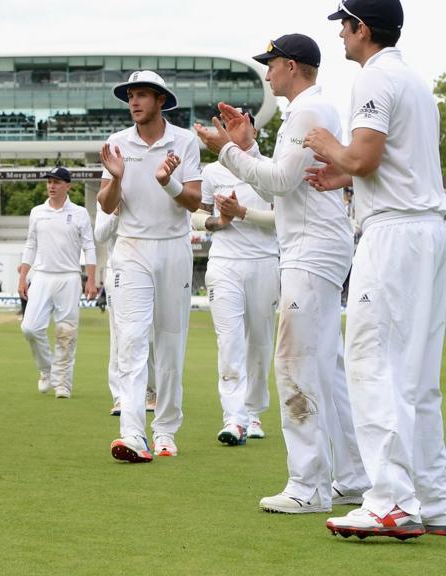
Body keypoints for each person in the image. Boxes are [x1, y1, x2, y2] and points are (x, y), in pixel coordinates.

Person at [195, 34, 368, 513]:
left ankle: (308, 486)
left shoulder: (309, 112)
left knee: (292, 363)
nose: (266, 74)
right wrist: (246, 143)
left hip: (310, 251)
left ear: (292, 66)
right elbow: (284, 177)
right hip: (317, 246)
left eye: (270, 65)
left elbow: (278, 182)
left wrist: (225, 151)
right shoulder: (308, 112)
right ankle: (352, 478)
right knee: (327, 370)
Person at [304, 0, 446, 539]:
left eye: (344, 24)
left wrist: (327, 145)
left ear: (362, 29)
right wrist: (344, 177)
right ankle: (433, 499)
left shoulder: (372, 79)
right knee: (416, 377)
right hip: (427, 229)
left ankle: (389, 500)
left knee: (371, 364)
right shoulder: (414, 82)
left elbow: (362, 157)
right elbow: (387, 164)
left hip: (393, 238)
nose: (340, 34)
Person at [97, 71, 202, 461]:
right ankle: (132, 433)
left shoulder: (185, 141)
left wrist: (167, 182)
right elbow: (107, 207)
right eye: (130, 96)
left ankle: (166, 431)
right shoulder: (116, 144)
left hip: (173, 247)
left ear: (161, 100)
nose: (134, 102)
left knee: (170, 342)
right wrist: (115, 179)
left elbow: (192, 201)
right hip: (131, 249)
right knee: (132, 340)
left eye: (142, 95)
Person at [191, 114, 279, 446]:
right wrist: (220, 220)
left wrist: (243, 214)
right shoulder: (212, 172)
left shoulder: (270, 167)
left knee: (259, 342)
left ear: (254, 129)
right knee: (229, 342)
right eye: (228, 124)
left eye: (243, 122)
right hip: (224, 263)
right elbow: (197, 217)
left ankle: (254, 413)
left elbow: (279, 220)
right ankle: (234, 418)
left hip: (264, 262)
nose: (236, 128)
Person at [19, 167, 96, 399]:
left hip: (70, 277)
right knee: (30, 328)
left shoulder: (80, 213)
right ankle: (47, 371)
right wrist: (23, 276)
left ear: (68, 186)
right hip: (42, 276)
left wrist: (91, 279)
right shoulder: (37, 212)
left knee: (66, 332)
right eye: (49, 182)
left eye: (57, 182)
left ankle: (63, 383)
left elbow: (89, 246)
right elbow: (30, 244)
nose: (52, 186)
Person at [94, 209, 157, 417]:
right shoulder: (108, 191)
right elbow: (100, 235)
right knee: (120, 336)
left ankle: (152, 391)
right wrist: (116, 214)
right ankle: (121, 396)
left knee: (148, 336)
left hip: (151, 269)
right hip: (118, 269)